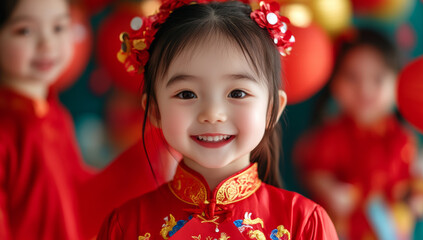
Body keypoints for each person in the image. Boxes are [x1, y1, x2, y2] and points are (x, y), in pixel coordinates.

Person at [97, 1, 338, 239]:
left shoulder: (304, 224)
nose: (212, 114)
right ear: (155, 110)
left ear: (272, 108)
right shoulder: (126, 226)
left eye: (237, 93)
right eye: (186, 94)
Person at [294, 28, 423, 239]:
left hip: (392, 229)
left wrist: (417, 199)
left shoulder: (403, 137)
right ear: (334, 82)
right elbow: (315, 171)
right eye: (351, 77)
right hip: (345, 229)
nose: (364, 89)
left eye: (378, 78)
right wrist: (331, 190)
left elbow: (413, 179)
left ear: (398, 81)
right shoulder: (331, 135)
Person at [0, 0, 93, 238]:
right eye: (25, 30)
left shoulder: (55, 114)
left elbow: (83, 195)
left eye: (59, 28)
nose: (47, 44)